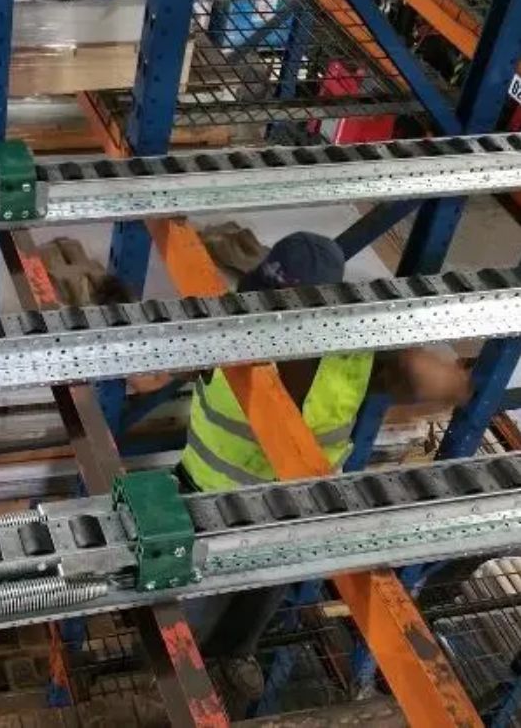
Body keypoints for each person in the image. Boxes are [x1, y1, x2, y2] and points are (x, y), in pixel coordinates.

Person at [178, 231, 472, 700]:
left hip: (293, 512)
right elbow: (147, 369)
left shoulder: (352, 354)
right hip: (207, 505)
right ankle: (188, 673)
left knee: (262, 595)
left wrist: (409, 356)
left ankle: (235, 654)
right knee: (196, 606)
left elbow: (443, 382)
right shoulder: (222, 324)